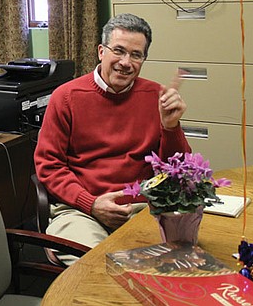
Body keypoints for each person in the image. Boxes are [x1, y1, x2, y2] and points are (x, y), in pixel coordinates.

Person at [34, 13, 191, 252]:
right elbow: (49, 165)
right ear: (101, 51)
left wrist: (171, 127)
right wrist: (91, 203)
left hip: (142, 209)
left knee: (173, 259)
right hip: (81, 210)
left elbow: (177, 169)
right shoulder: (66, 97)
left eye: (136, 55)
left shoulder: (156, 97)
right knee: (97, 268)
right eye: (118, 50)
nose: (126, 62)